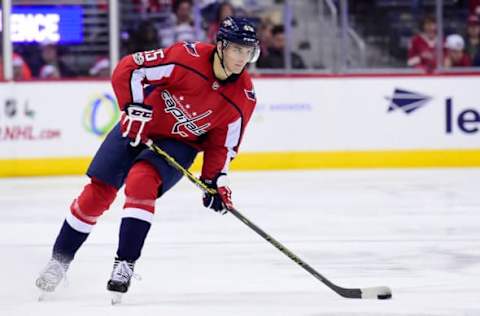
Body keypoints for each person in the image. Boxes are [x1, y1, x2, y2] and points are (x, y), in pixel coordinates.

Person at [35, 16, 260, 300]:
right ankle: (59, 261)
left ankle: (124, 264)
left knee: (142, 182)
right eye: (236, 49)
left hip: (180, 145)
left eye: (247, 51)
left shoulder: (244, 97)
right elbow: (130, 68)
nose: (242, 58)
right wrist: (134, 109)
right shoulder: (185, 57)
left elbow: (222, 145)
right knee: (97, 193)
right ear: (221, 46)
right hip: (139, 125)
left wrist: (215, 180)